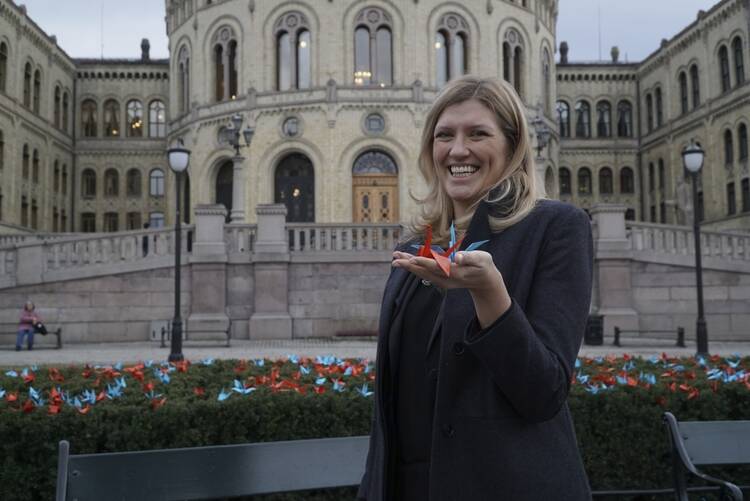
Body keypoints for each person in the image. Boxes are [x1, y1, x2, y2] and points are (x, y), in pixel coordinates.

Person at [357, 76, 593, 501]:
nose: (458, 150)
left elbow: (544, 393)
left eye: (478, 134)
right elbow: (391, 410)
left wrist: (491, 297)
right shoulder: (414, 249)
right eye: (444, 135)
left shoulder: (554, 229)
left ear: (512, 144)